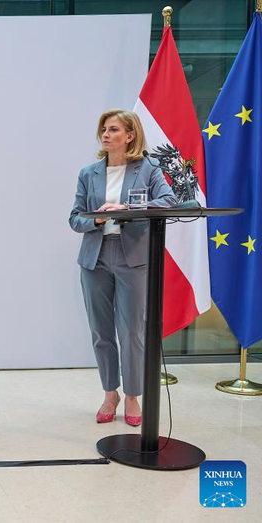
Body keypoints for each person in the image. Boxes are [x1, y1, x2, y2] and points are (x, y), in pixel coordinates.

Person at [69, 109, 176, 426]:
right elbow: (75, 218)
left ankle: (132, 395)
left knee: (131, 331)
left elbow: (168, 201)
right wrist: (98, 218)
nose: (105, 134)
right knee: (101, 332)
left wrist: (127, 208)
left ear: (130, 135)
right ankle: (109, 392)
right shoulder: (89, 173)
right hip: (95, 257)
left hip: (133, 258)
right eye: (103, 128)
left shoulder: (148, 169)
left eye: (113, 129)